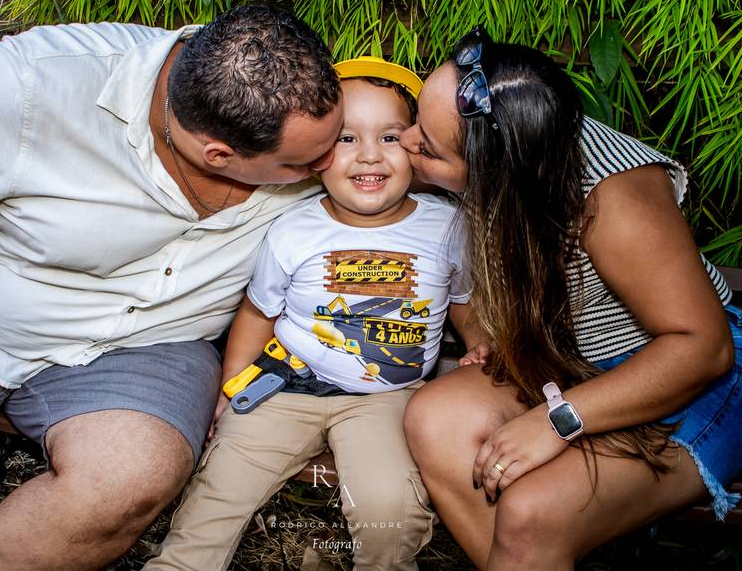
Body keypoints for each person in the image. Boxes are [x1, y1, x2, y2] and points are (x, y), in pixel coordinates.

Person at [0, 4, 343, 570]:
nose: (335, 160)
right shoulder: (41, 81)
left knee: (125, 480)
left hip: (151, 346)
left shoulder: (296, 112)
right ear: (220, 156)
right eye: (307, 162)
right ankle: (3, 547)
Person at [398, 27, 742, 570]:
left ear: (497, 171)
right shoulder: (516, 137)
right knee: (435, 419)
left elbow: (702, 350)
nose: (407, 142)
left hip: (691, 379)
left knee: (532, 513)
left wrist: (557, 419)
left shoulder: (612, 194)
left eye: (426, 147)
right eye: (416, 124)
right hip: (573, 363)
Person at [143, 56, 488, 571]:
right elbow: (258, 313)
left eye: (390, 137)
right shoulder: (293, 229)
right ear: (316, 152)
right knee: (219, 493)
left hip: (387, 398)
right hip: (286, 384)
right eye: (346, 139)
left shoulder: (446, 227)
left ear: (418, 144)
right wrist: (231, 385)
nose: (369, 156)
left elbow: (463, 303)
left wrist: (481, 342)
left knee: (388, 509)